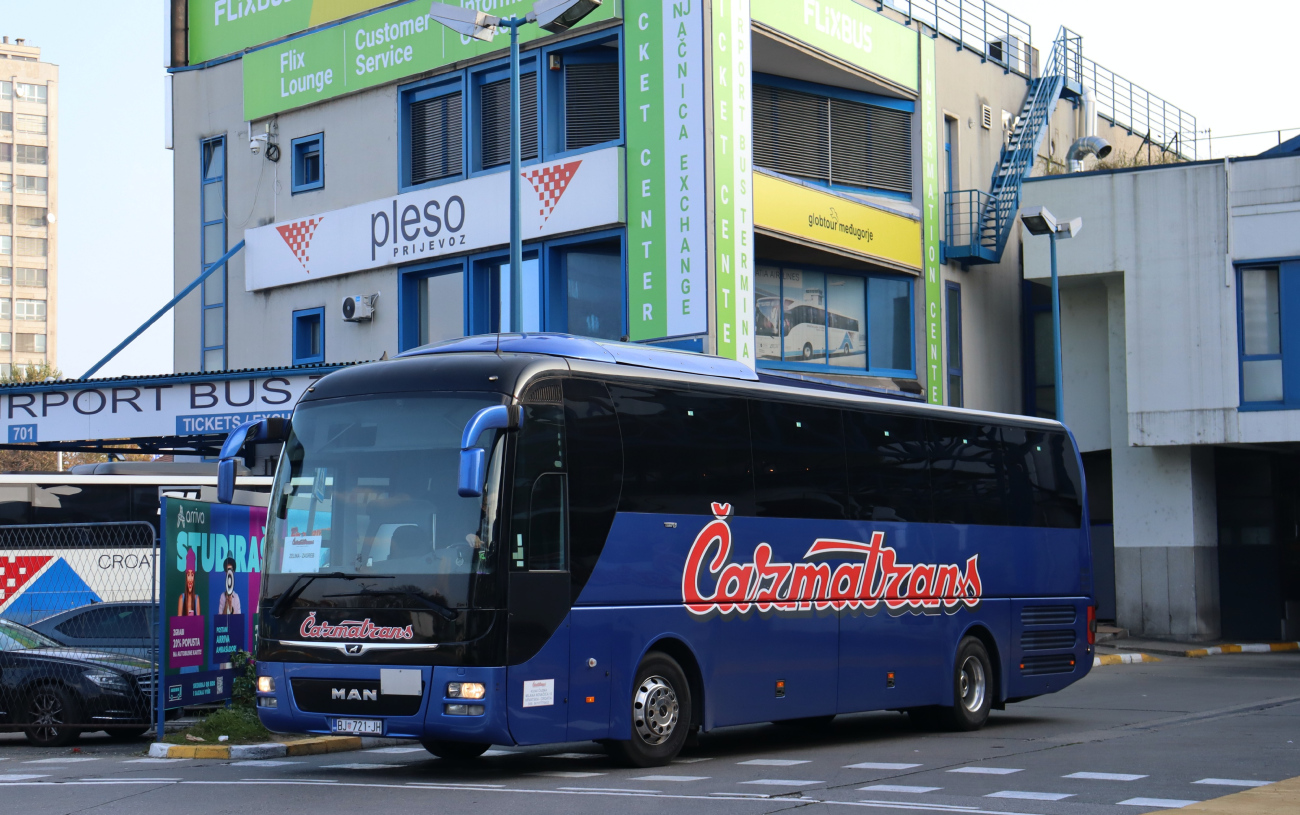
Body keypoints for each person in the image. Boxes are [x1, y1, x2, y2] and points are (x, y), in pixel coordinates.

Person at [177, 548, 200, 616]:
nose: (190, 579)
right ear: (186, 577)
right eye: (188, 575)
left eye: (192, 575)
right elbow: (178, 623)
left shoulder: (196, 599)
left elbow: (198, 624)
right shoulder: (181, 598)